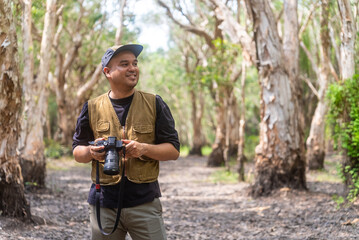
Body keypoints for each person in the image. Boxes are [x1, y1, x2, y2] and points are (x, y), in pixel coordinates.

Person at [72, 44, 180, 240]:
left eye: (135, 63)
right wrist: (91, 152)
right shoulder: (92, 107)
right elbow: (76, 151)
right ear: (108, 72)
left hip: (145, 203)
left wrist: (143, 148)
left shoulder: (154, 103)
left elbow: (173, 150)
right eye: (124, 64)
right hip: (103, 204)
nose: (133, 68)